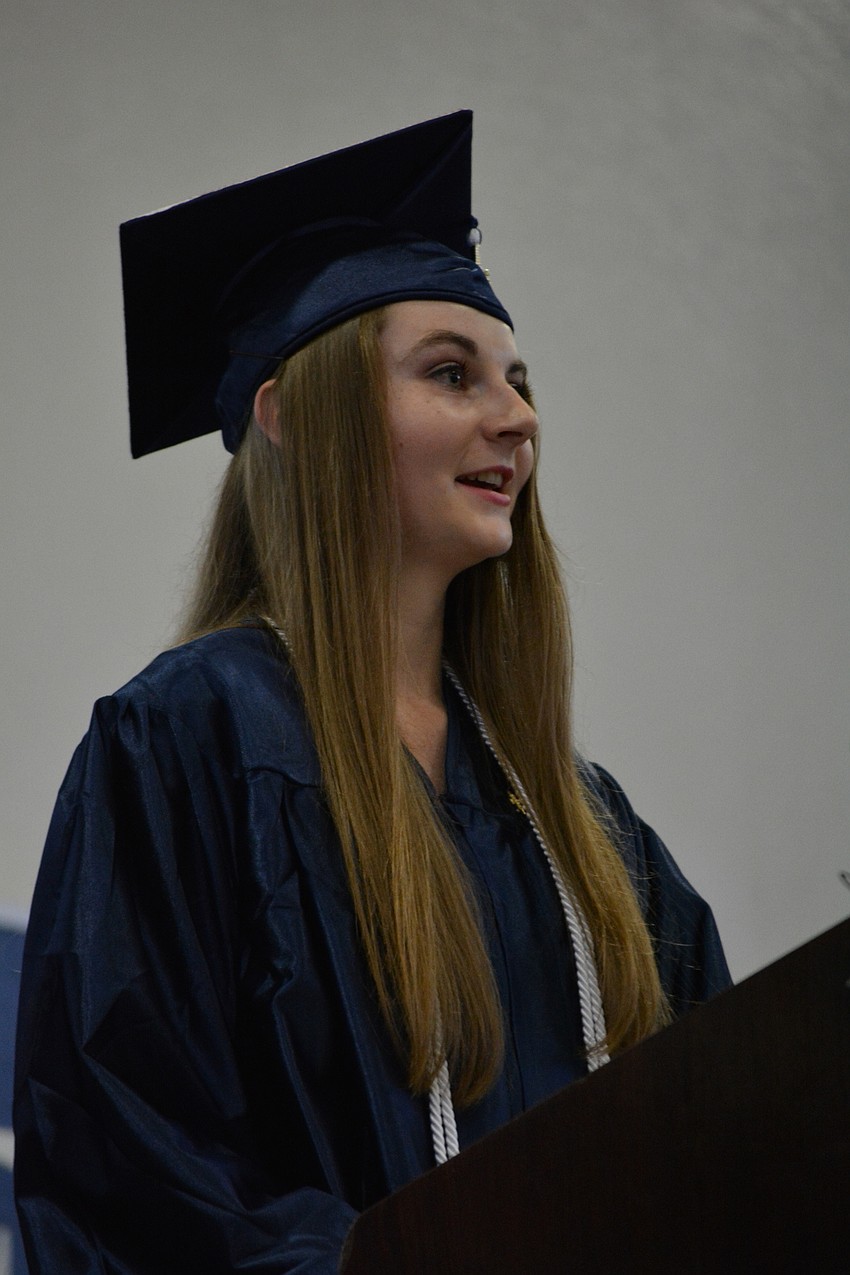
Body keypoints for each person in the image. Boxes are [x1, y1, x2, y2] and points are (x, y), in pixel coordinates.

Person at [14, 112, 730, 1274]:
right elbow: (131, 1173)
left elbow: (723, 1120)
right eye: (451, 373)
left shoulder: (578, 822)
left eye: (518, 382)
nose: (518, 418)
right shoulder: (188, 742)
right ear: (291, 414)